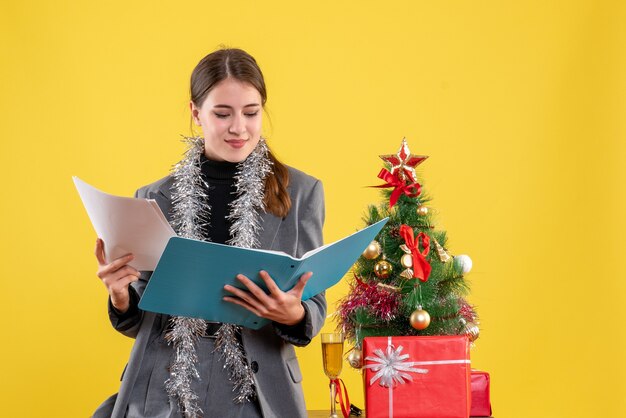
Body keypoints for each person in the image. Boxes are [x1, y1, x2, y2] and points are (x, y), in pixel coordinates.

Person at [92, 48, 326, 418]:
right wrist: (120, 295)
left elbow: (314, 305)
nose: (239, 128)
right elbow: (141, 321)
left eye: (251, 113)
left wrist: (293, 313)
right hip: (164, 389)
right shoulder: (152, 197)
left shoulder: (301, 192)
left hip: (256, 390)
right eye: (222, 114)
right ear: (195, 113)